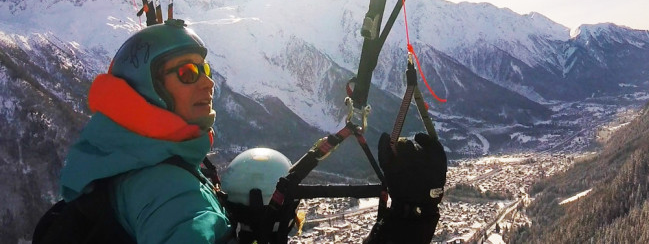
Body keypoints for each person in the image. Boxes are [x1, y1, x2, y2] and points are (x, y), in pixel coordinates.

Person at [57, 19, 447, 243]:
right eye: (188, 72)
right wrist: (406, 222)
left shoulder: (130, 165)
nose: (208, 84)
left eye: (205, 70)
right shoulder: (167, 191)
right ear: (147, 88)